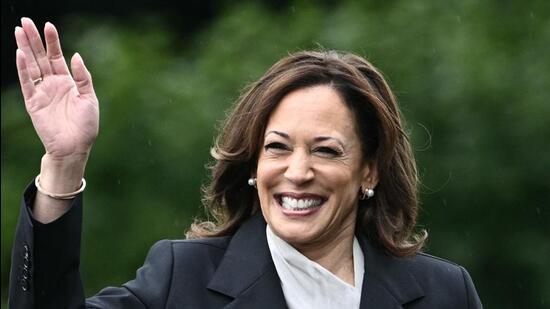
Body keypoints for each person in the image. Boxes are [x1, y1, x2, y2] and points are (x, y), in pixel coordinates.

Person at [8, 17, 483, 309]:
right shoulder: (184, 280)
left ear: (370, 170)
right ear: (253, 163)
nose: (297, 172)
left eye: (325, 150)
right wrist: (64, 164)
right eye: (277, 147)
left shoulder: (442, 293)